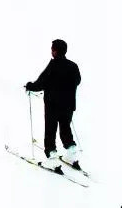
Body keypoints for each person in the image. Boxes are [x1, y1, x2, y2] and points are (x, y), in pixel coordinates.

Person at [25, 39, 82, 171]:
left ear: (55, 51)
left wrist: (29, 86)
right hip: (68, 105)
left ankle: (52, 159)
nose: (51, 51)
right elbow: (77, 81)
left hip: (53, 105)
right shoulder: (73, 66)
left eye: (52, 49)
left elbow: (41, 83)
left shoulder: (53, 65)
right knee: (65, 128)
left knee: (50, 130)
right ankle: (72, 156)